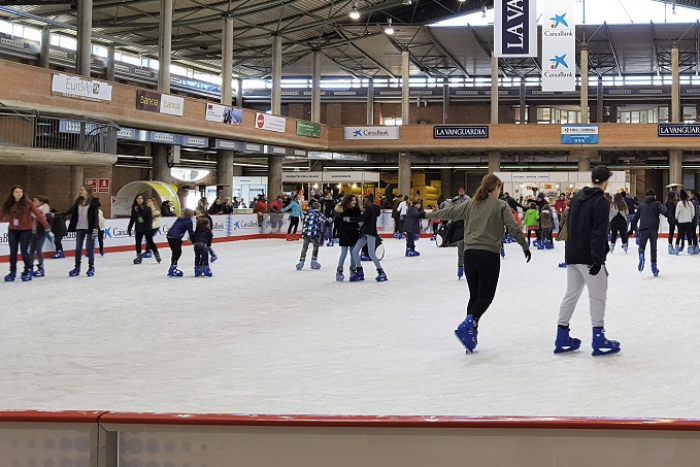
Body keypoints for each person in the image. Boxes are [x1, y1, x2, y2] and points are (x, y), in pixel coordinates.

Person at [424, 174, 531, 353]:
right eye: (499, 188)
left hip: (470, 254)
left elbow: (449, 213)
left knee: (474, 296)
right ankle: (470, 323)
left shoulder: (470, 204)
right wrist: (524, 246)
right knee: (485, 297)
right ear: (495, 188)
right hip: (488, 254)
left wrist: (426, 214)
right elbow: (513, 227)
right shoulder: (500, 205)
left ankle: (470, 337)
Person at [556, 166, 619, 356]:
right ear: (606, 181)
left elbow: (570, 226)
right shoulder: (600, 202)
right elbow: (599, 233)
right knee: (597, 296)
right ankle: (599, 339)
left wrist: (568, 254)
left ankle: (561, 336)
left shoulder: (576, 198)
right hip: (590, 258)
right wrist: (598, 260)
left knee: (571, 294)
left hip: (573, 255)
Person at [1, 186, 49, 282]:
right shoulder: (9, 204)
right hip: (13, 230)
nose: (19, 193)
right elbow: (1, 214)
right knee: (13, 252)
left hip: (25, 230)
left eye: (21, 192)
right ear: (13, 193)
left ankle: (27, 271)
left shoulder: (28, 203)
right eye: (16, 192)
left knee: (24, 251)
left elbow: (38, 215)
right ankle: (12, 272)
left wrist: (46, 225)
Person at [62, 184, 100, 277]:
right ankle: (77, 267)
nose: (80, 191)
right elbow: (69, 211)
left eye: (82, 190)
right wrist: (57, 214)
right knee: (78, 248)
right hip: (79, 227)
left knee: (89, 248)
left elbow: (95, 217)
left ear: (88, 190)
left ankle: (91, 267)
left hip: (91, 228)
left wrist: (95, 230)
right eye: (80, 190)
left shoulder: (94, 202)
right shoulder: (78, 202)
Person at [629, 189, 669, 276]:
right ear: (654, 195)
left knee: (641, 246)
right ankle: (654, 267)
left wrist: (632, 229)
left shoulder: (641, 205)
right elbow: (665, 212)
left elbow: (635, 219)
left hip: (643, 229)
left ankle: (641, 255)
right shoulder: (657, 204)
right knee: (653, 248)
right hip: (653, 229)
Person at [349, 196, 387, 282]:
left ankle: (381, 272)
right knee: (355, 251)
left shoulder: (370, 208)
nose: (363, 202)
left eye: (365, 201)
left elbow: (362, 218)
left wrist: (351, 219)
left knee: (371, 254)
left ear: (369, 201)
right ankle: (359, 271)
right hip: (365, 233)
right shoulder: (370, 208)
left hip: (370, 233)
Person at [127, 193, 161, 264]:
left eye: (141, 198)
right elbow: (132, 219)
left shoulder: (147, 208)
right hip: (138, 228)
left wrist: (149, 228)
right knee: (138, 243)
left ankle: (156, 254)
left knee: (150, 242)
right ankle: (139, 257)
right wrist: (129, 228)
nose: (139, 200)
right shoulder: (134, 208)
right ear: (136, 200)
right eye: (138, 199)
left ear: (143, 200)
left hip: (147, 228)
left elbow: (149, 219)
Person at [335, 194, 361, 282]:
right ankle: (339, 271)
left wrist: (353, 221)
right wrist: (352, 220)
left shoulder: (357, 210)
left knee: (354, 253)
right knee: (344, 253)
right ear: (348, 201)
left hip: (354, 233)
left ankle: (353, 270)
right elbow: (344, 222)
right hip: (345, 233)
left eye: (355, 200)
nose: (354, 202)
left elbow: (358, 220)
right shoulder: (343, 210)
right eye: (352, 200)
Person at [296, 202, 327, 270]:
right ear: (318, 208)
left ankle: (301, 261)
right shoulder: (318, 214)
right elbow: (324, 220)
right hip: (313, 232)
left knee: (305, 247)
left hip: (306, 233)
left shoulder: (307, 213)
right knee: (316, 246)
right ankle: (314, 261)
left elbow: (304, 222)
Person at [166, 208, 195, 277]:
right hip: (176, 237)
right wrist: (194, 241)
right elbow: (190, 232)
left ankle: (173, 267)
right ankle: (173, 268)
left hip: (169, 236)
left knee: (175, 252)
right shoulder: (188, 220)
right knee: (178, 252)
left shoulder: (180, 218)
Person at [28, 195, 51, 277]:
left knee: (38, 250)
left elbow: (37, 215)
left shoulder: (42, 209)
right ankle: (30, 267)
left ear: (41, 202)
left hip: (41, 233)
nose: (33, 203)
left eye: (35, 201)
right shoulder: (36, 209)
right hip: (33, 232)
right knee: (31, 250)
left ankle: (41, 268)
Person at [450, 188, 470, 279]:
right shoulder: (455, 200)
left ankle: (466, 267)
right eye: (460, 191)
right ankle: (460, 267)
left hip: (467, 233)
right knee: (461, 251)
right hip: (460, 234)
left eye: (462, 191)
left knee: (467, 251)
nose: (461, 193)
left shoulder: (468, 199)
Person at [673, 190, 697, 255]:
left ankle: (677, 248)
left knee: (679, 236)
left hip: (681, 222)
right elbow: (693, 213)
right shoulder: (690, 203)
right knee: (689, 236)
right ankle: (690, 248)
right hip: (689, 222)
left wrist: (677, 218)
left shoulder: (679, 204)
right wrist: (690, 218)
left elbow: (676, 214)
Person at [556, 200, 570, 268]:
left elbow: (561, 223)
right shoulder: (577, 212)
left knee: (567, 246)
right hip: (575, 231)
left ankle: (567, 260)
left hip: (567, 230)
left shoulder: (565, 212)